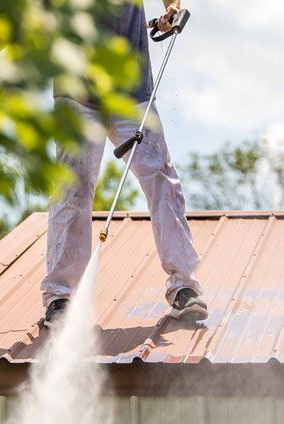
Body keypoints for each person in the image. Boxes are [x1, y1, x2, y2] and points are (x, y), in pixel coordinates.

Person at [41, 0, 207, 326]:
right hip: (76, 92)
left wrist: (171, 10)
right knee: (72, 188)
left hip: (131, 92)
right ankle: (61, 298)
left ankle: (184, 288)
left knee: (162, 179)